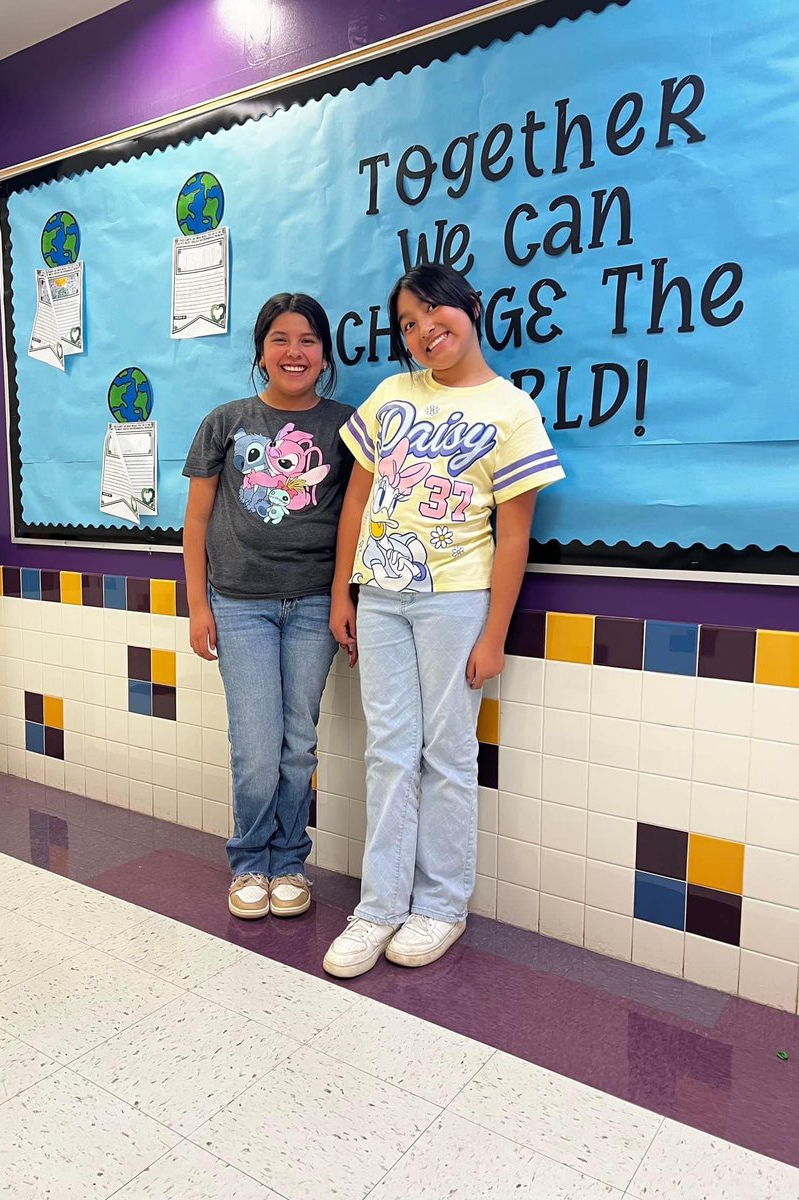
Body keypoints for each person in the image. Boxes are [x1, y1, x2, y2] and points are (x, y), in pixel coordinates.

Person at [323, 263, 564, 977]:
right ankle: (378, 909)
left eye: (435, 314)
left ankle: (442, 906)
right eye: (407, 324)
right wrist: (345, 591)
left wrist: (494, 634)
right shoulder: (392, 394)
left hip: (457, 600)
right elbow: (357, 502)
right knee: (388, 751)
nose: (424, 332)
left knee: (448, 756)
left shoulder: (511, 409)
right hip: (382, 597)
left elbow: (515, 535)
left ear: (471, 308)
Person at [183, 293, 354, 919]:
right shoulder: (225, 421)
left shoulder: (347, 425)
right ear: (260, 353)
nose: (294, 352)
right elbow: (196, 521)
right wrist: (198, 606)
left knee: (298, 743)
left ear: (325, 355)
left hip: (313, 607)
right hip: (239, 605)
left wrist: (342, 600)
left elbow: (353, 524)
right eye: (280, 339)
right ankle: (249, 862)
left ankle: (289, 864)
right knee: (255, 745)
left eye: (308, 340)